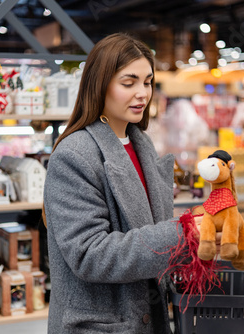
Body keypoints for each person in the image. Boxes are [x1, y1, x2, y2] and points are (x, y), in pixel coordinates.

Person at [43, 33, 182, 333]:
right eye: (128, 82)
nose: (142, 93)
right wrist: (182, 233)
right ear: (100, 84)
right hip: (100, 325)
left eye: (147, 82)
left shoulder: (141, 145)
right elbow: (90, 254)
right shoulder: (75, 155)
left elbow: (149, 237)